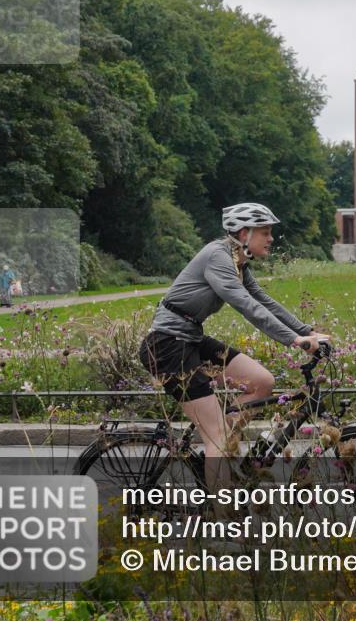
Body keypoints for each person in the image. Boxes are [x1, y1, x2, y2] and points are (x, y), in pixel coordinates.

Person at [138, 203, 330, 496]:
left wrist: (305, 331)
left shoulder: (238, 260)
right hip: (167, 346)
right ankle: (223, 521)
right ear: (243, 233)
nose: (271, 238)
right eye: (265, 232)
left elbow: (263, 300)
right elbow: (246, 305)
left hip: (190, 338)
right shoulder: (217, 257)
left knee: (262, 382)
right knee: (216, 436)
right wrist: (292, 340)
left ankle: (221, 456)